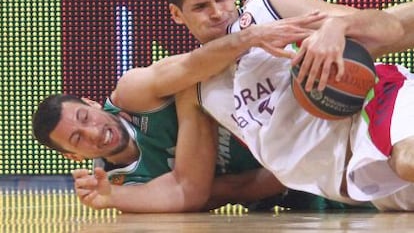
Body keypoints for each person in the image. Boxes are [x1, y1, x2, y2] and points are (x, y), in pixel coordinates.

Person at [33, 0, 410, 212]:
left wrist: (337, 26)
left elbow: (388, 27)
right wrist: (113, 200)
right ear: (177, 16)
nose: (217, 12)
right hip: (338, 178)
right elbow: (193, 190)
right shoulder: (197, 91)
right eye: (201, 7)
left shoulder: (267, 8)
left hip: (372, 110)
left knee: (407, 161)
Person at [33, 13, 331, 213]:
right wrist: (315, 159)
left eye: (85, 118)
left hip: (296, 109)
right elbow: (236, 188)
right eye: (78, 138)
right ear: (73, 156)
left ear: (92, 103)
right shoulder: (124, 187)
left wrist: (251, 36)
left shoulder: (132, 92)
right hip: (300, 182)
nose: (95, 132)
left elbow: (193, 66)